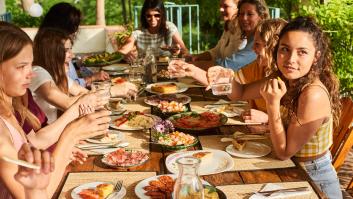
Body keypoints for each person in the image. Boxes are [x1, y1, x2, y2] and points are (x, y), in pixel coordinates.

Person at [207, 16, 342, 198]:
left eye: (302, 52)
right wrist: (225, 76)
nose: (290, 59)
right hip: (289, 170)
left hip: (314, 180)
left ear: (316, 56)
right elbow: (240, 93)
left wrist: (272, 104)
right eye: (285, 49)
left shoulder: (313, 94)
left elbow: (284, 152)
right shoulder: (284, 79)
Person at [0, 22, 111, 198]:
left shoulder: (11, 108)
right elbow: (34, 194)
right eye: (21, 66)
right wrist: (70, 136)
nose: (32, 73)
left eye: (30, 64)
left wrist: (61, 153)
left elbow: (30, 147)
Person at [30, 28, 137, 123]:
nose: (72, 55)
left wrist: (103, 93)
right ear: (50, 53)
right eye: (66, 50)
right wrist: (111, 91)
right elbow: (67, 103)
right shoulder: (38, 73)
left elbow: (82, 92)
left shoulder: (56, 74)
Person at [39, 2, 109, 87]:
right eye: (73, 27)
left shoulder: (50, 42)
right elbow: (65, 85)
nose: (74, 32)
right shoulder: (51, 47)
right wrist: (92, 78)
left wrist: (77, 64)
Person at [118, 0, 188, 62]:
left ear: (162, 15)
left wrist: (178, 51)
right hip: (145, 71)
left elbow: (184, 51)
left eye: (157, 15)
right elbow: (124, 50)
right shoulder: (138, 32)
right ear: (144, 16)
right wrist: (124, 55)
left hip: (166, 70)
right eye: (149, 16)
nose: (153, 19)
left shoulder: (169, 27)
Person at [187, 0, 242, 66]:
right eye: (220, 6)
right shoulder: (228, 26)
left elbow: (233, 63)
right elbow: (217, 51)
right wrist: (196, 56)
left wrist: (195, 65)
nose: (220, 9)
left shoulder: (244, 31)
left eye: (226, 6)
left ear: (238, 8)